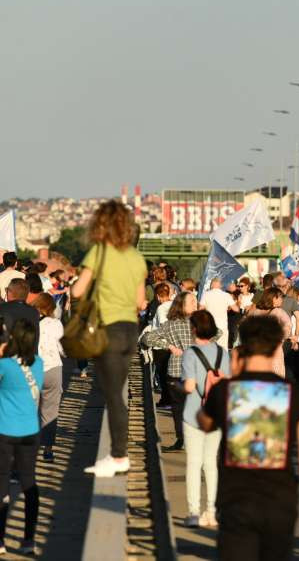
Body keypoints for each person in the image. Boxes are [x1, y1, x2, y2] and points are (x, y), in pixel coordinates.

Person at [198, 315, 299, 558]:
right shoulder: (297, 395)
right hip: (279, 503)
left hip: (235, 501)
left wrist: (210, 391)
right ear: (276, 345)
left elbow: (205, 424)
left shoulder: (226, 390)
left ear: (244, 344)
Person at [72, 200, 148, 478]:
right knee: (117, 393)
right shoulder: (136, 257)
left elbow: (77, 291)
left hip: (109, 330)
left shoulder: (99, 252)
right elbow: (140, 301)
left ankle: (118, 455)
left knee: (113, 395)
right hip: (130, 330)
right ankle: (118, 453)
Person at [180, 310, 231, 528]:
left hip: (194, 414)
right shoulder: (222, 353)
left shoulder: (190, 353)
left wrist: (179, 386)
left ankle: (193, 513)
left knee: (194, 463)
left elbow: (189, 386)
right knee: (211, 463)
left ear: (194, 329)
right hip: (216, 414)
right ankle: (211, 512)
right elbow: (228, 382)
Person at [0, 320, 44, 556]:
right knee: (29, 482)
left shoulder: (5, 365)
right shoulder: (39, 363)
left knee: (2, 483)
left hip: (5, 430)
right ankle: (29, 540)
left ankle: (0, 540)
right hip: (30, 431)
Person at [142, 291, 199, 452]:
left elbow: (147, 338)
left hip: (176, 370)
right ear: (182, 305)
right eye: (192, 301)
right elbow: (217, 333)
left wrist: (169, 346)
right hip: (195, 369)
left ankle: (182, 439)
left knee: (178, 407)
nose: (195, 303)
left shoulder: (170, 324)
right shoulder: (200, 322)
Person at [33, 294, 63, 463]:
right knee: (50, 411)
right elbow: (63, 349)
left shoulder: (29, 322)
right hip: (53, 368)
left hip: (33, 369)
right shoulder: (56, 324)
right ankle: (48, 449)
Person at [246, 287, 290, 378]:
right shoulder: (279, 312)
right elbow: (288, 327)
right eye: (280, 297)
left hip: (257, 350)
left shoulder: (255, 313)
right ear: (274, 298)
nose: (282, 300)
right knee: (275, 376)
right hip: (273, 350)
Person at [199, 277, 238, 349]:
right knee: (223, 349)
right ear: (220, 285)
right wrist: (228, 308)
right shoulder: (226, 295)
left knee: (209, 348)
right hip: (222, 326)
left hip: (210, 326)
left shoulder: (206, 294)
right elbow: (236, 309)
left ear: (211, 285)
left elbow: (200, 309)